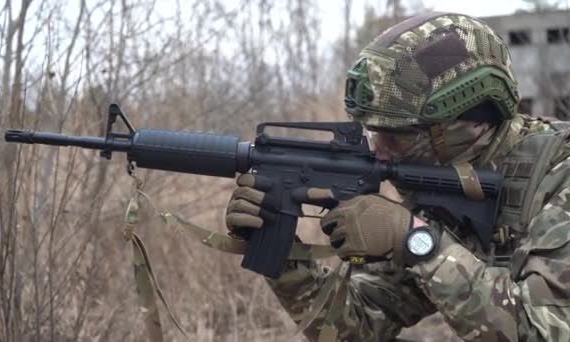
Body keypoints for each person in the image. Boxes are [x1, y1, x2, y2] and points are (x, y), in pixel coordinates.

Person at [225, 12, 570, 341]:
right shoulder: (442, 186)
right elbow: (354, 327)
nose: (378, 150)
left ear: (470, 126)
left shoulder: (559, 174)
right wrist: (282, 253)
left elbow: (544, 332)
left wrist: (416, 240)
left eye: (396, 137)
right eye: (373, 134)